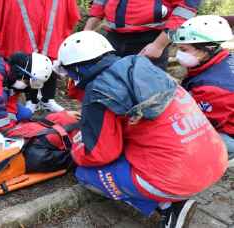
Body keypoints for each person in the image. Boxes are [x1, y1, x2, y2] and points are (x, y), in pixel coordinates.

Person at [57, 31, 227, 228]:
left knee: (85, 174)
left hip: (180, 176)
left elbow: (101, 154)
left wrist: (77, 147)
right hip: (215, 159)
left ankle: (167, 205)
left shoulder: (98, 91)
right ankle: (169, 199)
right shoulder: (142, 67)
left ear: (76, 69)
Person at [0, 0, 81, 113]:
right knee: (25, 48)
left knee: (52, 48)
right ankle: (31, 100)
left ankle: (48, 98)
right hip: (23, 10)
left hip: (52, 8)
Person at [170, 15, 234, 166]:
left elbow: (201, 124)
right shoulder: (223, 59)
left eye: (183, 49)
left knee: (183, 140)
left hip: (228, 133)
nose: (178, 54)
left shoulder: (212, 87)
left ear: (207, 50)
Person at [84, 0, 201, 70]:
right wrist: (87, 32)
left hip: (150, 39)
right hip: (113, 36)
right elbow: (99, 3)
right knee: (107, 84)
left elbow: (185, 12)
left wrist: (158, 45)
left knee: (144, 90)